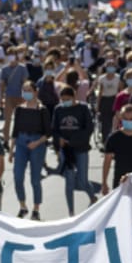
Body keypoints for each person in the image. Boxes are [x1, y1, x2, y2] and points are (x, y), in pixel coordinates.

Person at [52, 85, 97, 216]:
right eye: (63, 99)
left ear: (74, 97)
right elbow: (54, 129)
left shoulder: (83, 108)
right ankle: (71, 212)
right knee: (69, 181)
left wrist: (72, 140)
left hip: (81, 148)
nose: (65, 101)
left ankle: (93, 197)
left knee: (83, 181)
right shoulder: (58, 109)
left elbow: (89, 128)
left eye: (67, 99)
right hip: (66, 151)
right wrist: (59, 139)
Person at [0, 47, 30, 144]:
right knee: (7, 119)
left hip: (20, 96)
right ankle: (5, 140)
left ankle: (20, 139)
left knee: (21, 119)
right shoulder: (4, 69)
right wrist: (1, 97)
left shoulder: (22, 68)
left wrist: (27, 96)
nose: (11, 56)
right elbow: (2, 84)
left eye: (12, 54)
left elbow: (26, 83)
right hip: (9, 96)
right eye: (9, 55)